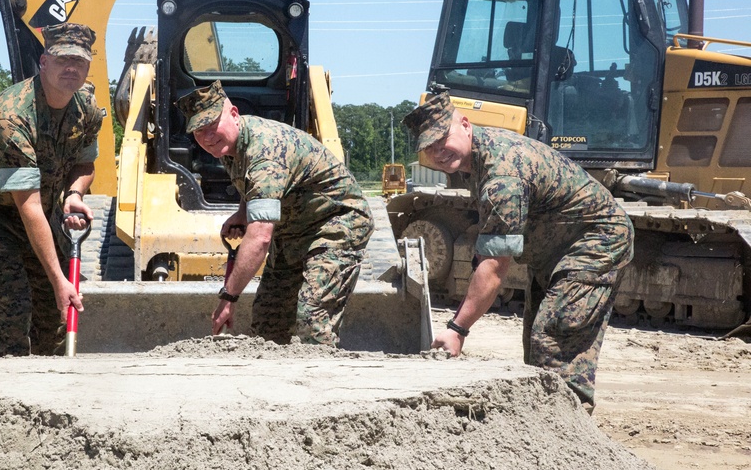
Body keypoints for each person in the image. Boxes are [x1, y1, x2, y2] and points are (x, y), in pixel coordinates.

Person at [403, 92, 633, 410]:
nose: (438, 152)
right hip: (554, 251)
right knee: (534, 342)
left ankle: (567, 428)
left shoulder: (502, 176)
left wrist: (457, 330)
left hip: (595, 243)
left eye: (443, 138)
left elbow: (495, 269)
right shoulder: (479, 158)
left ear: (465, 125)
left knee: (552, 338)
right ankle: (545, 422)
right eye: (429, 146)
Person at [176, 80, 374, 347]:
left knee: (311, 314)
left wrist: (228, 298)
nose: (207, 137)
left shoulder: (264, 150)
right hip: (294, 228)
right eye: (199, 131)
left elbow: (260, 239)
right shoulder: (229, 146)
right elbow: (253, 185)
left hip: (336, 221)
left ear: (234, 114)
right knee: (268, 320)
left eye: (212, 125)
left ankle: (321, 378)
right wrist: (242, 213)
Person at [0, 23, 103, 358]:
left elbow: (85, 165)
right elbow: (28, 205)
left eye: (78, 62)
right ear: (43, 62)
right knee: (14, 308)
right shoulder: (12, 118)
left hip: (41, 213)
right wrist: (57, 279)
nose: (70, 68)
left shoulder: (87, 111)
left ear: (87, 67)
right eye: (62, 59)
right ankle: (10, 390)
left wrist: (74, 195)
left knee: (53, 316)